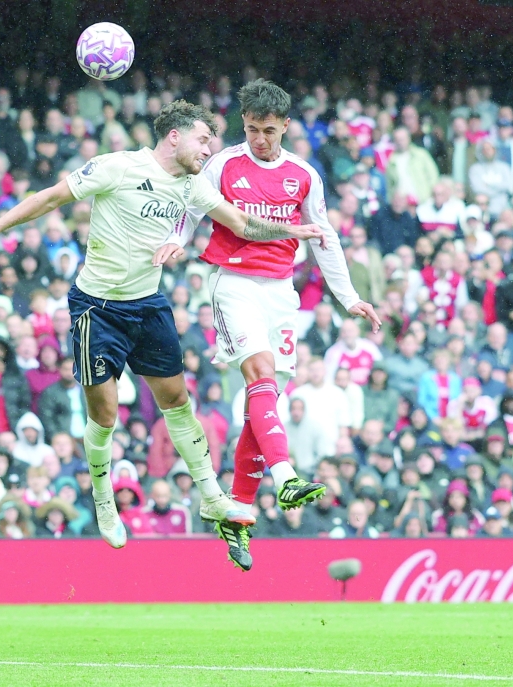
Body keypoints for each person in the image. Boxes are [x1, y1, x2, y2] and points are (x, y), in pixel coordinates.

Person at [0, 100, 330, 551]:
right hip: (98, 307)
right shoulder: (117, 167)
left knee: (178, 401)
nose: (210, 149)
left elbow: (244, 225)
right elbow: (51, 197)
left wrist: (293, 230)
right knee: (105, 414)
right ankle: (102, 497)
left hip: (148, 305)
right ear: (175, 136)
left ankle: (212, 497)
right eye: (203, 139)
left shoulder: (192, 186)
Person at [158, 80, 380, 569]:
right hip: (232, 281)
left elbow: (323, 238)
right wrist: (176, 240)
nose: (260, 139)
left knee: (263, 412)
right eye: (253, 129)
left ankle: (237, 515)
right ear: (244, 124)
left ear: (286, 127)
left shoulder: (303, 174)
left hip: (281, 292)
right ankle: (286, 479)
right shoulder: (223, 164)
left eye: (269, 130)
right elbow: (192, 208)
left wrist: (348, 298)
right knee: (259, 375)